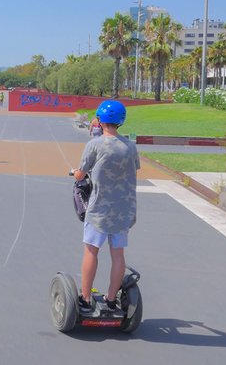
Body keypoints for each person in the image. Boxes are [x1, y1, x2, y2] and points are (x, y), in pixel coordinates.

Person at [71, 100, 140, 313]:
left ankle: (84, 298)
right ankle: (111, 299)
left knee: (91, 251)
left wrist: (76, 173)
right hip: (124, 210)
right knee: (118, 254)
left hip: (100, 209)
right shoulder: (130, 146)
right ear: (121, 121)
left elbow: (82, 173)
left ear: (99, 121)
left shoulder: (95, 144)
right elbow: (133, 169)